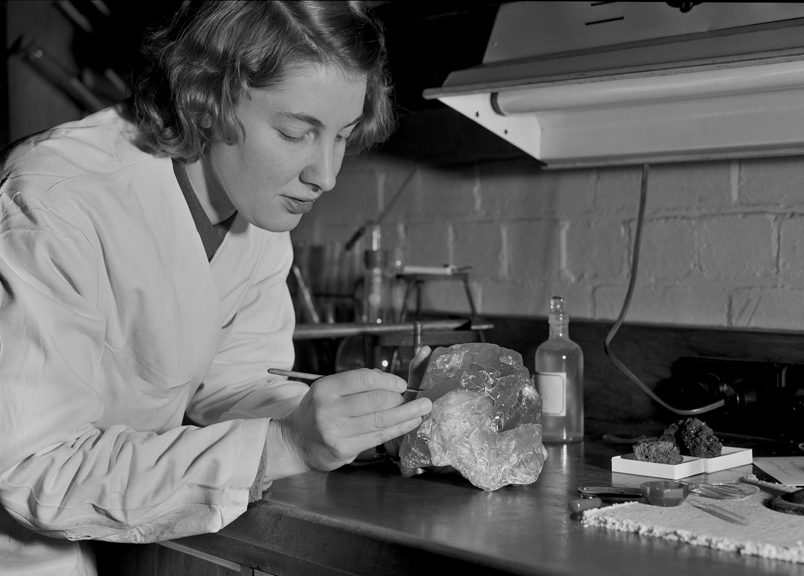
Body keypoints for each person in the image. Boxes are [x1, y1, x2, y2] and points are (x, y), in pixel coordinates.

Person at [0, 2, 433, 574]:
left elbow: (233, 385)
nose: (325, 176)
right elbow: (33, 467)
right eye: (296, 133)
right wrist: (284, 446)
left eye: (343, 137)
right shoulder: (55, 201)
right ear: (206, 98)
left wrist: (367, 422)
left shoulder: (256, 205)